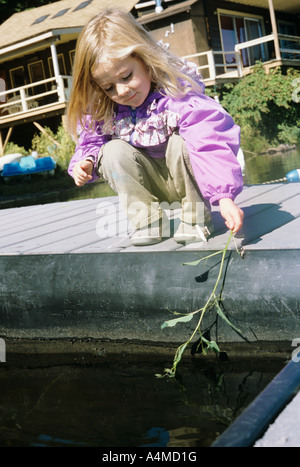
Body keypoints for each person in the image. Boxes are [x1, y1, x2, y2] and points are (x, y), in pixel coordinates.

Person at [67, 8, 244, 246]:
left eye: (127, 76)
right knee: (111, 151)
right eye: (108, 87)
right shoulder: (107, 109)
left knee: (179, 142)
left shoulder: (177, 96)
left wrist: (224, 196)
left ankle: (195, 219)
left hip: (191, 181)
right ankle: (148, 221)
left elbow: (207, 139)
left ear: (145, 60)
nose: (121, 91)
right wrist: (86, 161)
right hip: (148, 184)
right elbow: (92, 141)